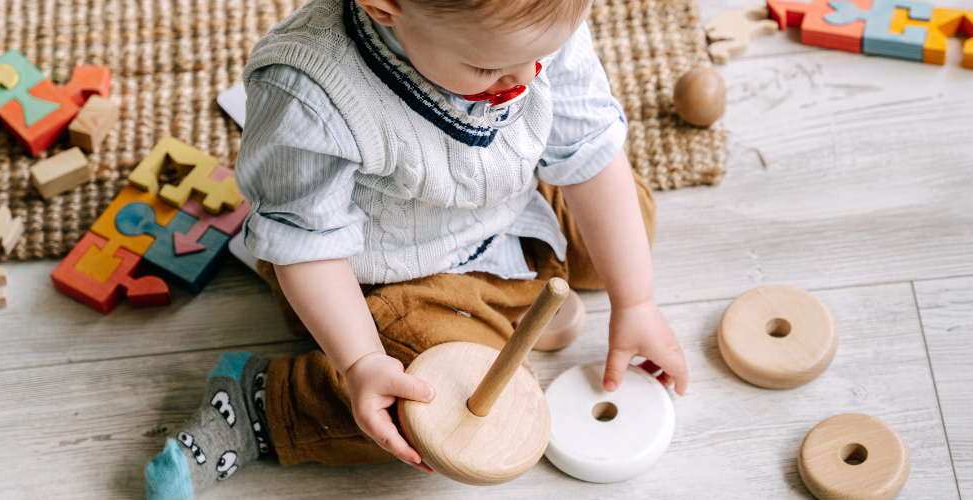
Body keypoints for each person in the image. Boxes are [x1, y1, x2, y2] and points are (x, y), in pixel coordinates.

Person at [145, 0, 689, 497]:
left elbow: (587, 147)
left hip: (507, 206)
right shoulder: (309, 90)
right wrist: (360, 363)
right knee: (427, 403)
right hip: (382, 273)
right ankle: (262, 402)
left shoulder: (532, 29)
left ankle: (517, 287)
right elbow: (306, 246)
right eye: (488, 70)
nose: (525, 80)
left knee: (629, 216)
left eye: (542, 57)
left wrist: (636, 301)